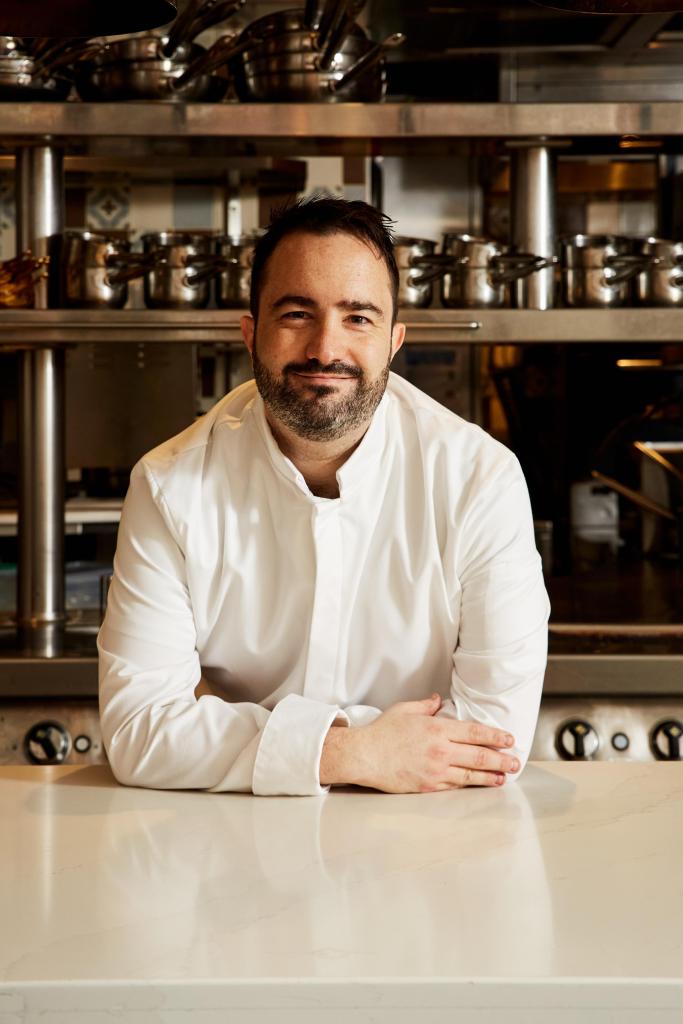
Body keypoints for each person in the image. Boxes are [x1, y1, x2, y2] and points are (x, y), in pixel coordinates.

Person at [98, 197, 550, 796]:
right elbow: (139, 731)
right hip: (233, 841)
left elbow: (494, 739)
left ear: (394, 340)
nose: (324, 349)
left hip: (427, 839)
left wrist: (230, 733)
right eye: (296, 314)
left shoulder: (479, 479)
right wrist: (359, 752)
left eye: (357, 317)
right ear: (250, 334)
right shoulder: (168, 486)